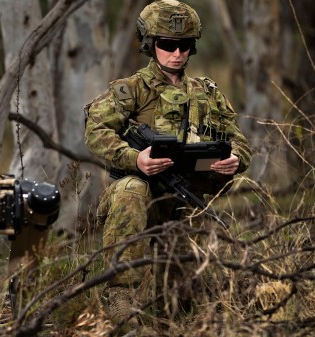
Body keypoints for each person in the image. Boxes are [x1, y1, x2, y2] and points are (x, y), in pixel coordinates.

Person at [84, 0, 252, 330]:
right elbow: (95, 130)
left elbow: (238, 137)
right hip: (137, 196)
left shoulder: (207, 93)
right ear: (150, 44)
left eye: (184, 45)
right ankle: (120, 295)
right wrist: (135, 159)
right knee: (131, 188)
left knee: (179, 305)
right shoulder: (130, 90)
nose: (176, 53)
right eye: (167, 45)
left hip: (184, 197)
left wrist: (236, 159)